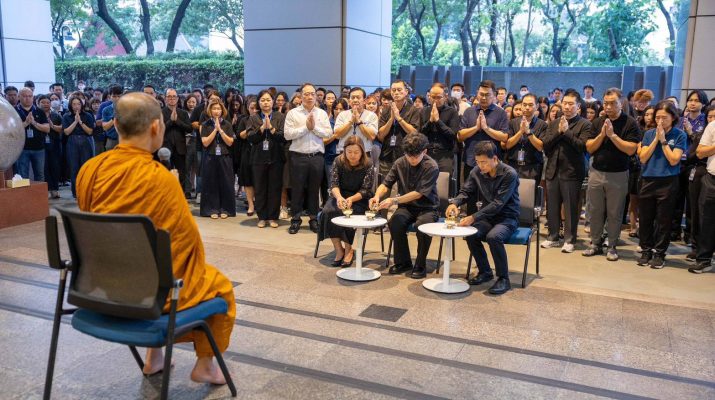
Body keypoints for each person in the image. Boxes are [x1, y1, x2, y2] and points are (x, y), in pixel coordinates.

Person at [75, 92, 235, 385]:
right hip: (151, 296)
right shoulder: (159, 178)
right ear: (154, 127)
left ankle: (155, 357)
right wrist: (171, 188)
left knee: (148, 263)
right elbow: (187, 245)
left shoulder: (90, 169)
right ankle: (205, 365)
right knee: (220, 286)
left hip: (100, 288)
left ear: (117, 126)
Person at [447, 141, 519, 295]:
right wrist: (455, 203)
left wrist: (474, 217)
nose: (480, 166)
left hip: (507, 218)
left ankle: (503, 278)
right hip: (487, 217)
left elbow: (498, 203)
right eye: (478, 162)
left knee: (494, 237)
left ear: (495, 158)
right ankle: (485, 271)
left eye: (484, 162)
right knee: (471, 234)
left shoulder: (509, 174)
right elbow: (466, 191)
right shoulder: (476, 171)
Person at [582, 88, 640, 261]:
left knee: (615, 212)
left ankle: (612, 245)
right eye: (605, 103)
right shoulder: (598, 121)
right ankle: (595, 243)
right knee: (595, 210)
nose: (608, 107)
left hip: (618, 174)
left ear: (621, 103)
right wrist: (602, 135)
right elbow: (589, 147)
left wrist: (613, 136)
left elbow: (631, 149)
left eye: (612, 103)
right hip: (596, 172)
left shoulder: (630, 123)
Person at [370, 133, 439, 279]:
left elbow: (418, 193)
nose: (412, 159)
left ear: (425, 151)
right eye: (409, 156)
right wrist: (376, 196)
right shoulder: (400, 162)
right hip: (406, 207)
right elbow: (386, 183)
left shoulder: (431, 166)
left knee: (422, 227)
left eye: (416, 156)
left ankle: (420, 265)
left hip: (428, 208)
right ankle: (403, 262)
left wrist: (394, 200)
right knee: (395, 222)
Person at [540, 89, 593, 253]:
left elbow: (582, 147)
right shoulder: (554, 123)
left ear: (578, 106)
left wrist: (567, 132)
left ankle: (570, 239)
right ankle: (553, 237)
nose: (567, 107)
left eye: (571, 104)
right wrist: (559, 132)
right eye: (565, 103)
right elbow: (545, 145)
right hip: (553, 170)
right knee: (552, 207)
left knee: (570, 208)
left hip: (572, 171)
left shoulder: (585, 124)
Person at [636, 101, 687, 268]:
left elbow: (674, 160)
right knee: (645, 218)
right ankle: (646, 250)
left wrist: (664, 141)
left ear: (673, 117)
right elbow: (643, 157)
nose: (660, 121)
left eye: (664, 117)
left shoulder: (679, 135)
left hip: (668, 181)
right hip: (648, 179)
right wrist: (656, 139)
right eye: (657, 117)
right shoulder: (649, 133)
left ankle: (659, 253)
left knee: (663, 220)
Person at [284, 83, 333, 234]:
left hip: (316, 157)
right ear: (300, 95)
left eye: (312, 93)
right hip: (298, 156)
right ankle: (295, 219)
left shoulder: (321, 113)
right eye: (306, 94)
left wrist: (314, 128)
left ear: (316, 95)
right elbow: (287, 135)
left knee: (314, 189)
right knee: (297, 189)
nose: (310, 96)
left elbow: (328, 133)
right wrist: (306, 127)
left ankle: (313, 219)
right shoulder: (293, 113)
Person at [320, 136, 374, 267]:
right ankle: (339, 249)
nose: (352, 155)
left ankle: (349, 249)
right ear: (344, 150)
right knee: (328, 212)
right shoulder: (338, 161)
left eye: (356, 152)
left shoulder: (368, 164)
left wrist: (351, 199)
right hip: (340, 195)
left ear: (362, 151)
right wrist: (339, 198)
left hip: (359, 198)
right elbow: (334, 184)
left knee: (350, 214)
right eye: (349, 152)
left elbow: (366, 189)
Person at [458, 80, 509, 193]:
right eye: (481, 94)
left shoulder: (501, 113)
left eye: (487, 95)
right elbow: (460, 136)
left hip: (492, 163)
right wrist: (476, 128)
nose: (484, 97)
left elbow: (504, 137)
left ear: (494, 95)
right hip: (471, 161)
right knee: (469, 194)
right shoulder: (469, 111)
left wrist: (486, 128)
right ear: (477, 93)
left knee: (490, 196)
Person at [246, 90, 285, 228]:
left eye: (268, 100)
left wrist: (272, 129)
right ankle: (262, 217)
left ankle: (273, 217)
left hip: (276, 157)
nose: (266, 103)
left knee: (275, 188)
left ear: (273, 102)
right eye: (262, 100)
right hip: (258, 158)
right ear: (259, 102)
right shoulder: (253, 118)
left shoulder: (280, 117)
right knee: (260, 188)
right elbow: (250, 137)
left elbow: (284, 137)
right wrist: (262, 128)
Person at [687, 106, 715, 262]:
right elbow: (698, 153)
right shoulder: (708, 129)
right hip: (708, 176)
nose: (712, 118)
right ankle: (701, 254)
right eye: (710, 116)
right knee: (703, 216)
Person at [200, 99, 236, 219]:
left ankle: (225, 209)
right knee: (211, 183)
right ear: (210, 110)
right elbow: (205, 142)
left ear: (222, 110)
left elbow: (230, 142)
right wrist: (215, 130)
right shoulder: (205, 124)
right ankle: (212, 209)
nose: (216, 111)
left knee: (226, 183)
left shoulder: (227, 124)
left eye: (218, 109)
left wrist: (220, 130)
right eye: (214, 108)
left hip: (225, 156)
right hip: (210, 156)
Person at [377, 80, 420, 177]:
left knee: (404, 184)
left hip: (406, 155)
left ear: (406, 92)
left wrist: (399, 118)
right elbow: (380, 135)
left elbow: (414, 132)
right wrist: (391, 119)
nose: (396, 92)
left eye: (399, 90)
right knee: (385, 184)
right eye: (393, 90)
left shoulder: (413, 110)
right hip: (387, 155)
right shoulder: (386, 110)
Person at [505, 93, 547, 180]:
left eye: (530, 105)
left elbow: (540, 147)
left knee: (530, 189)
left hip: (532, 167)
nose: (527, 107)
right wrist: (521, 131)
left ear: (537, 106)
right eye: (524, 105)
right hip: (513, 165)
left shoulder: (542, 124)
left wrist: (528, 132)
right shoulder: (512, 122)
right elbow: (508, 145)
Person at [420, 82, 460, 174]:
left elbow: (453, 135)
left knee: (445, 180)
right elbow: (420, 133)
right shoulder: (424, 111)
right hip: (427, 153)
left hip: (445, 154)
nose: (435, 100)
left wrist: (438, 121)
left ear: (445, 97)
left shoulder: (452, 112)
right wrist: (430, 121)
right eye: (433, 97)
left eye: (439, 97)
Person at [62, 95, 96, 198]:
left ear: (82, 105)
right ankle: (75, 192)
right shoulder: (66, 116)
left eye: (78, 104)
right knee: (74, 168)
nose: (76, 106)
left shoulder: (88, 115)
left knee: (86, 167)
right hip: (72, 142)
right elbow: (66, 132)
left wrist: (80, 122)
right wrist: (75, 121)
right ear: (71, 105)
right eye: (74, 104)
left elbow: (90, 131)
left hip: (86, 141)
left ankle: (86, 191)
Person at [162, 88, 193, 197]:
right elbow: (159, 129)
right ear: (165, 98)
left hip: (180, 147)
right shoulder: (161, 112)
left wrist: (177, 121)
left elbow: (189, 128)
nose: (172, 99)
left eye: (174, 96)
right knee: (166, 172)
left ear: (177, 98)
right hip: (165, 148)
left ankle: (180, 195)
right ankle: (166, 195)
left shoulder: (183, 113)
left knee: (182, 172)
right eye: (169, 97)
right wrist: (170, 121)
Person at [16, 87, 50, 182]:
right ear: (19, 97)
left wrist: (34, 123)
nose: (27, 98)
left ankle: (40, 192)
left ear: (33, 97)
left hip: (39, 148)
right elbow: (13, 130)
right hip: (22, 148)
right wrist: (26, 123)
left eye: (30, 96)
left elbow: (47, 129)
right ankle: (24, 192)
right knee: (22, 175)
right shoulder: (15, 111)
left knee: (40, 174)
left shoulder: (39, 111)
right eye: (24, 96)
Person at [39, 95, 63, 199]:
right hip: (41, 144)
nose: (45, 104)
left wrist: (52, 126)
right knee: (44, 167)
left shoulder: (56, 115)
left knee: (55, 167)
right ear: (38, 103)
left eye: (47, 102)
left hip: (55, 144)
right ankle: (47, 189)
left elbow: (62, 128)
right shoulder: (36, 115)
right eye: (43, 102)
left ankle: (55, 189)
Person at [102, 85, 123, 150]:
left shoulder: (129, 108)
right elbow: (105, 127)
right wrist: (114, 117)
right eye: (114, 96)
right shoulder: (106, 110)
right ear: (110, 97)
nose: (117, 98)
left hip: (127, 140)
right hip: (112, 140)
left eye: (119, 96)